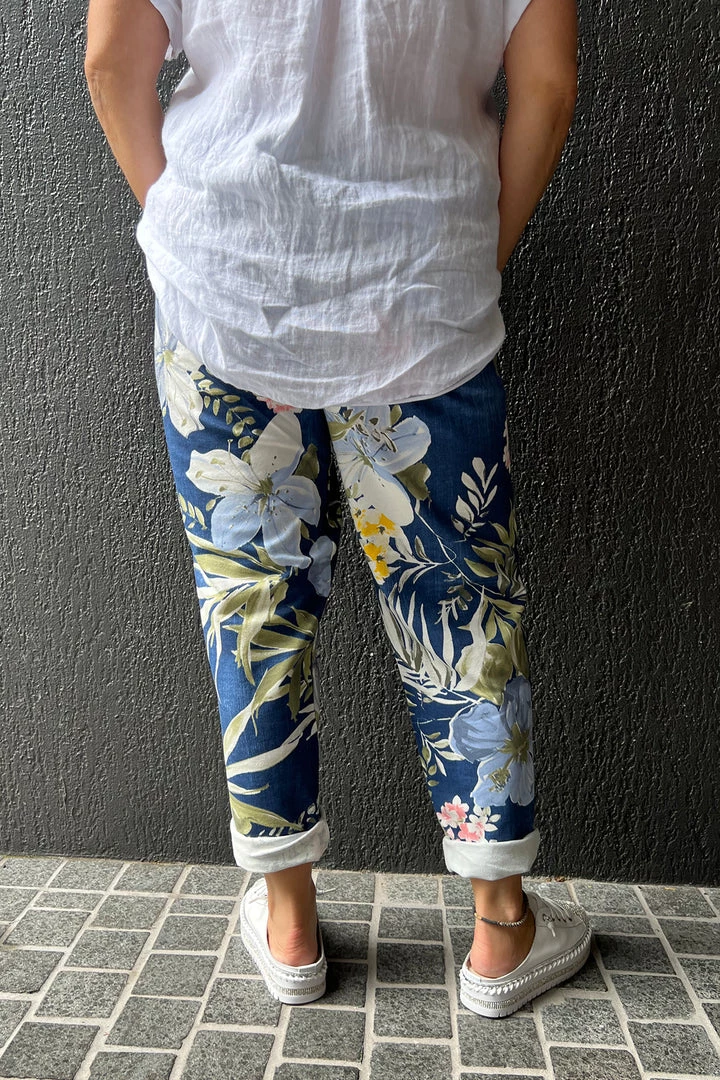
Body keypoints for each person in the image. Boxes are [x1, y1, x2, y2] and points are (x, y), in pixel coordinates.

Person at [84, 0, 591, 1017]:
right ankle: (500, 929)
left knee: (253, 600)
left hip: (225, 280)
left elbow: (110, 59)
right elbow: (547, 82)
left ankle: (290, 923)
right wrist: (476, 253)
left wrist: (178, 226)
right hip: (422, 284)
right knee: (462, 604)